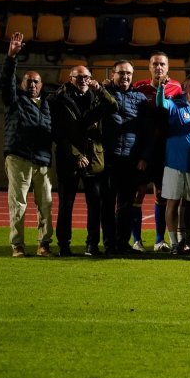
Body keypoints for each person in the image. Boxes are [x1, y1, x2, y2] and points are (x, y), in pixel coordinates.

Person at [49, 65, 116, 257]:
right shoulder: (58, 99)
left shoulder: (97, 97)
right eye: (79, 77)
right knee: (66, 204)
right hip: (69, 159)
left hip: (94, 158)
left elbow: (113, 106)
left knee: (94, 204)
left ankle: (91, 245)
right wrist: (76, 155)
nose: (83, 80)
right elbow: (57, 132)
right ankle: (64, 245)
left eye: (86, 76)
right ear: (70, 79)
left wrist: (101, 90)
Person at [0, 32, 54, 257]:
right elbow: (5, 84)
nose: (32, 84)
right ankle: (17, 245)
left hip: (41, 160)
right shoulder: (15, 101)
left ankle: (44, 244)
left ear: (41, 85)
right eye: (28, 81)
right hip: (19, 157)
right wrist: (11, 57)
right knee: (18, 203)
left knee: (46, 204)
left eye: (36, 81)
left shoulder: (46, 105)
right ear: (22, 84)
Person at [132, 51, 183, 251]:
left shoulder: (176, 88)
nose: (159, 67)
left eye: (162, 64)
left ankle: (159, 240)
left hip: (165, 149)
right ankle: (136, 241)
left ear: (168, 67)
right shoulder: (139, 87)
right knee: (139, 194)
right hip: (144, 149)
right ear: (149, 67)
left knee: (162, 196)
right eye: (155, 64)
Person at [156, 73, 190, 254]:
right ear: (185, 88)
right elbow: (160, 103)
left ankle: (187, 242)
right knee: (172, 202)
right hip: (173, 164)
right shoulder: (176, 105)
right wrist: (161, 88)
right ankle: (173, 243)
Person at [100, 60, 150, 255]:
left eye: (129, 73)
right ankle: (109, 244)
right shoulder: (104, 95)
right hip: (108, 158)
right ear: (113, 74)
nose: (125, 77)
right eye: (121, 73)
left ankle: (122, 243)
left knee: (126, 205)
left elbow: (147, 131)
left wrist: (144, 156)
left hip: (130, 159)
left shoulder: (140, 98)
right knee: (107, 203)